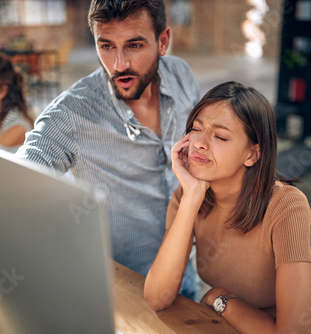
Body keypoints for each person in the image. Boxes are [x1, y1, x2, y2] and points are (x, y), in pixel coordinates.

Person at [15, 0, 201, 299]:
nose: (119, 64)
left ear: (163, 41)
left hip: (187, 274)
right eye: (106, 46)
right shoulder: (70, 113)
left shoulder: (181, 75)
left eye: (135, 45)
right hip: (123, 293)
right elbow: (13, 181)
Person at [144, 81, 311, 333]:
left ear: (252, 155)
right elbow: (158, 297)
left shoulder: (287, 206)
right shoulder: (187, 195)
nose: (199, 143)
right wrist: (191, 197)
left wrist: (221, 299)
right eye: (195, 129)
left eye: (220, 136)